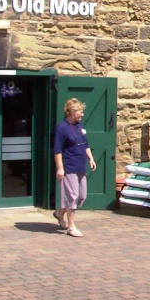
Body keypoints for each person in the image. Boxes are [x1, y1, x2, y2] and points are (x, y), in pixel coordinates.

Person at [53, 98, 96, 237]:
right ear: (71, 112)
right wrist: (60, 168)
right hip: (69, 166)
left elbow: (85, 145)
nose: (82, 114)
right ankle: (71, 226)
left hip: (80, 166)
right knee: (72, 196)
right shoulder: (61, 127)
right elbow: (57, 150)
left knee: (81, 196)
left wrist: (91, 158)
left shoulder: (79, 126)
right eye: (80, 112)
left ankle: (60, 213)